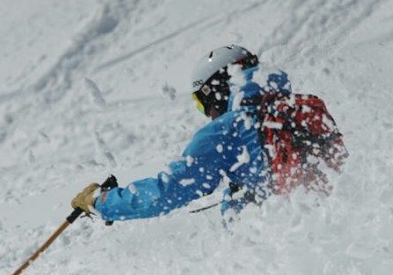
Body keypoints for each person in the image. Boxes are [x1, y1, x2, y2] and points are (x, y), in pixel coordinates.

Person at [71, 45, 347, 222]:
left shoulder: (225, 129)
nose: (207, 112)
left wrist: (102, 201)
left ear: (215, 90)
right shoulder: (300, 106)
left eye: (201, 103)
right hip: (335, 215)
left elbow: (166, 193)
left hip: (281, 239)